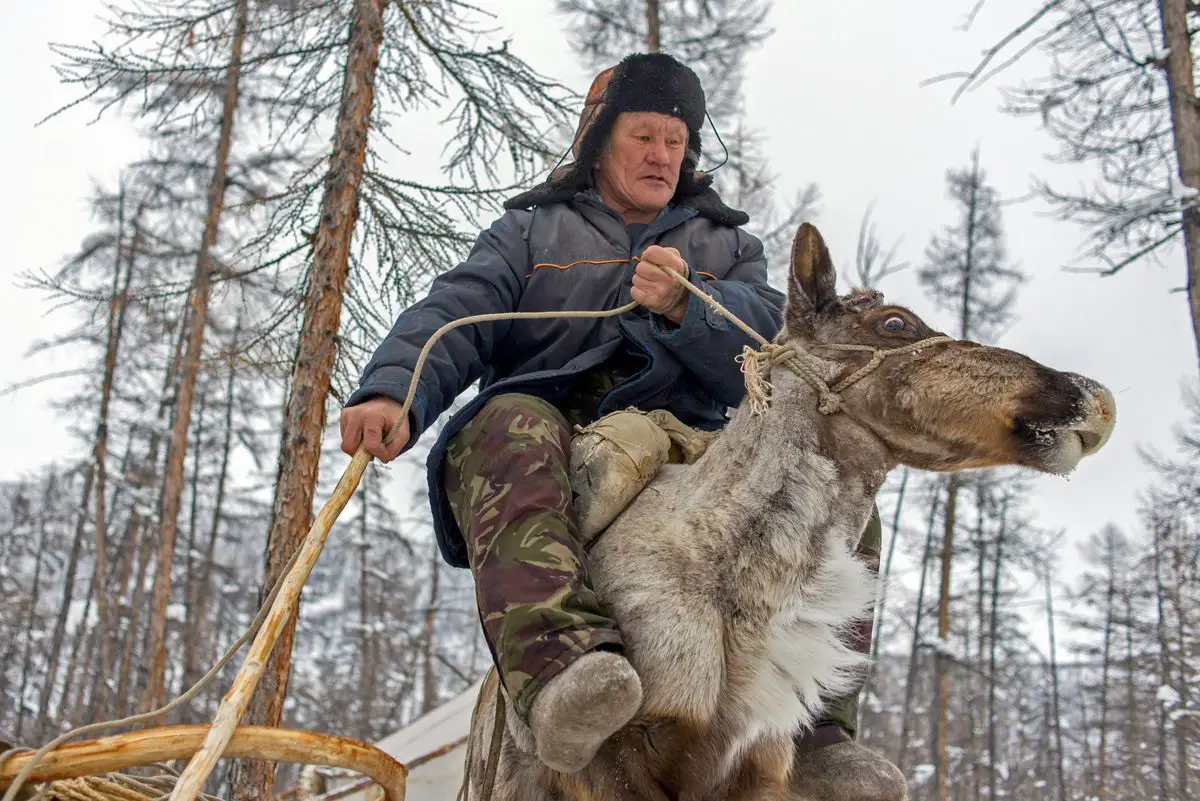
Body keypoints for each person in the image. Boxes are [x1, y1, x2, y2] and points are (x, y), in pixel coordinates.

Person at [340, 52, 905, 800]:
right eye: (643, 135)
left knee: (837, 480)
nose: (662, 155)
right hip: (556, 419)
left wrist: (689, 303)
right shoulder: (531, 231)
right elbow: (455, 311)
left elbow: (778, 343)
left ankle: (822, 730)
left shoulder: (727, 246)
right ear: (599, 142)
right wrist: (395, 390)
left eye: (675, 141)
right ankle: (560, 670)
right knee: (509, 423)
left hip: (692, 440)